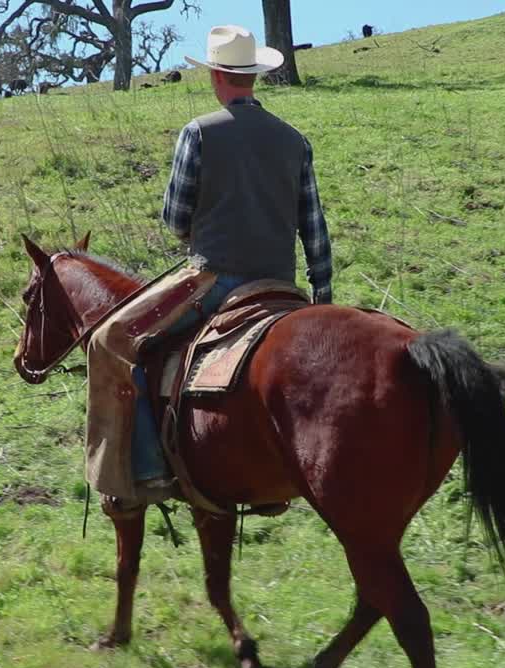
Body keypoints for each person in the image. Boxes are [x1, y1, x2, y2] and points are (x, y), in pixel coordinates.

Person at [85, 24, 333, 510]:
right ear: (253, 77)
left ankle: (148, 471)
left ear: (217, 75)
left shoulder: (198, 132)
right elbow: (315, 230)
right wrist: (321, 300)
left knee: (111, 341)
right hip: (282, 286)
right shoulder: (295, 140)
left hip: (215, 279)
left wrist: (200, 235)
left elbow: (175, 218)